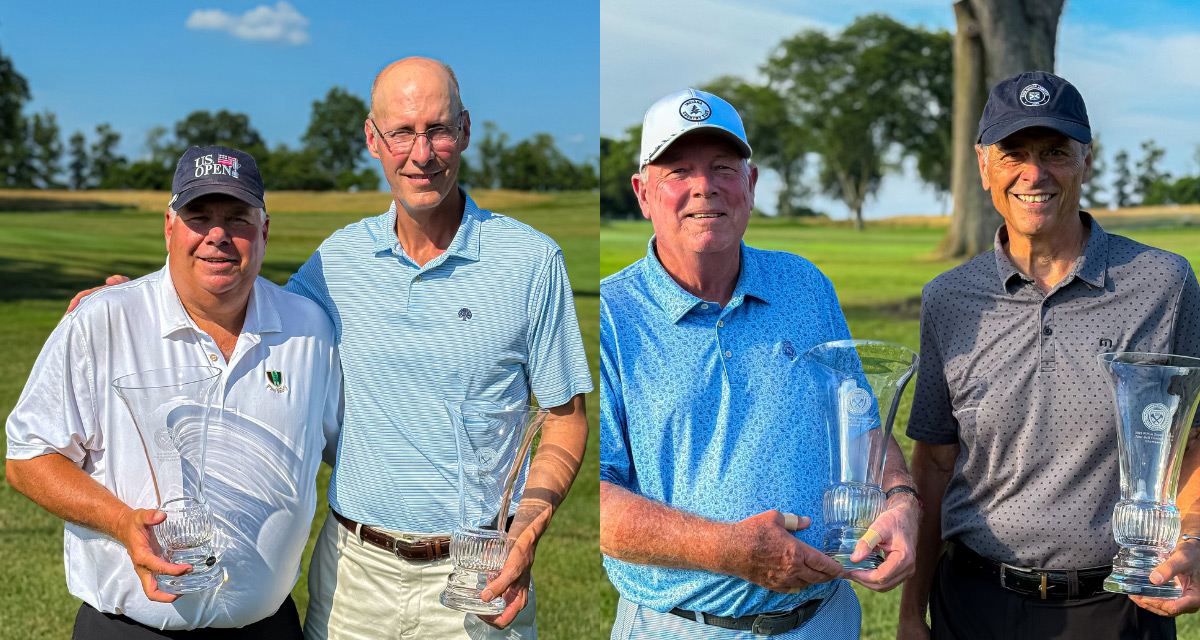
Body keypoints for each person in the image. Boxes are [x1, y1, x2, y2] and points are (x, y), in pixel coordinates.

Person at [286, 57, 591, 639]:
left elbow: (565, 419)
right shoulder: (336, 262)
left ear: (466, 131)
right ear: (373, 139)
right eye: (402, 132)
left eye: (439, 130)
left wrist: (524, 531)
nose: (421, 154)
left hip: (478, 577)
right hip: (355, 575)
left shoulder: (531, 260)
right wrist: (132, 302)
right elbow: (244, 316)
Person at [599, 88, 921, 639]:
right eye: (679, 170)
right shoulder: (611, 314)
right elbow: (598, 499)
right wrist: (727, 550)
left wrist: (901, 498)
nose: (705, 187)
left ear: (749, 184)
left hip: (824, 620)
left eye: (724, 167)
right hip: (679, 627)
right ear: (643, 192)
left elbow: (861, 420)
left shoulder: (804, 285)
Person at [898, 71, 1200, 640]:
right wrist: (913, 613)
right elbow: (935, 464)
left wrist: (1196, 539)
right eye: (1014, 153)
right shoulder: (949, 298)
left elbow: (1196, 437)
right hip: (973, 603)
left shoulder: (1164, 282)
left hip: (1118, 606)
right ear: (984, 165)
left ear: (1087, 160)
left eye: (1055, 152)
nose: (1034, 174)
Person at [6, 146, 341, 639]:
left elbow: (352, 448)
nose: (218, 235)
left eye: (238, 218)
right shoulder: (104, 320)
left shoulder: (308, 327)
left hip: (268, 627)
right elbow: (28, 457)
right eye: (198, 216)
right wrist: (122, 522)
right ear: (169, 227)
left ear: (265, 230)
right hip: (129, 629)